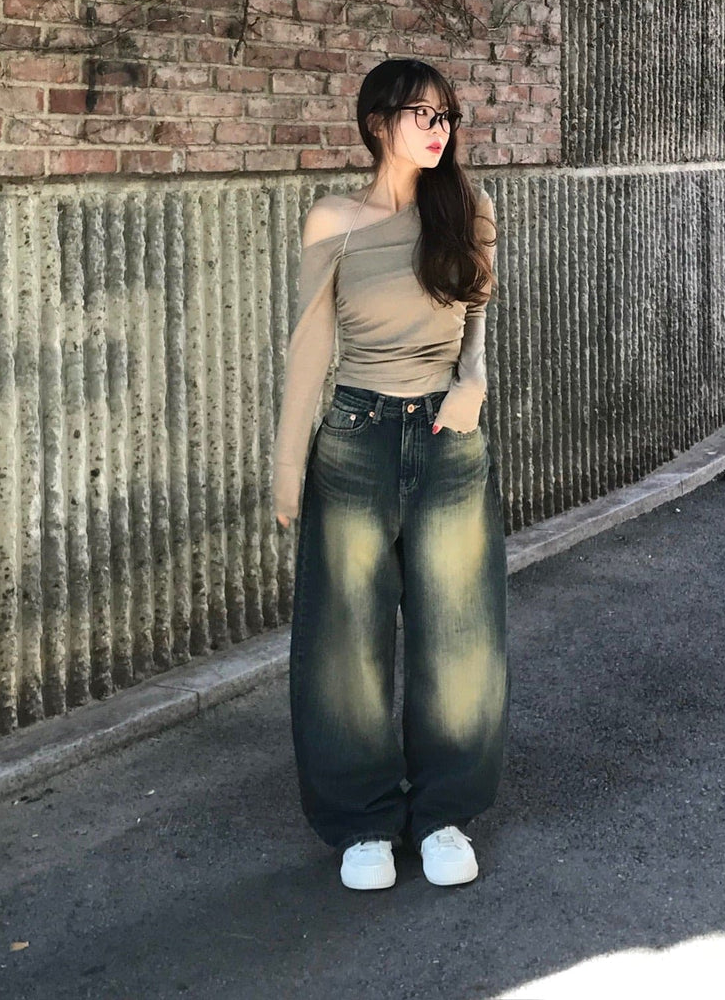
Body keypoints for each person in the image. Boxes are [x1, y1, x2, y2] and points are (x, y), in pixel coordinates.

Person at [272, 58, 510, 891]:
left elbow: (477, 322)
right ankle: (364, 820)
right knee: (345, 638)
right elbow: (310, 344)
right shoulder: (333, 218)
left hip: (448, 437)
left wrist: (472, 389)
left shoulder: (469, 209)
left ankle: (443, 814)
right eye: (421, 114)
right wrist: (287, 464)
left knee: (459, 632)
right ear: (378, 122)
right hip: (355, 436)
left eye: (446, 116)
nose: (439, 130)